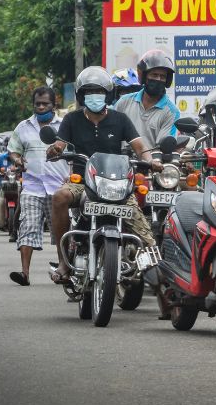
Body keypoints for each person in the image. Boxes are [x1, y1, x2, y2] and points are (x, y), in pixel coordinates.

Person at [47, 67, 161, 284]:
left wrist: (150, 160)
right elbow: (59, 143)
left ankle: (164, 295)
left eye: (99, 91)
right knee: (59, 197)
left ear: (108, 94)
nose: (94, 96)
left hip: (117, 187)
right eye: (89, 91)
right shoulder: (71, 119)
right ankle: (63, 262)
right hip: (82, 185)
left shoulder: (120, 119)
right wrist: (55, 149)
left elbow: (139, 146)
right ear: (81, 96)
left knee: (147, 239)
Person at [7, 88, 68, 286]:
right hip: (32, 186)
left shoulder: (65, 126)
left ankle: (64, 269)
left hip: (59, 188)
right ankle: (25, 273)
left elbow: (76, 152)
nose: (41, 107)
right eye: (38, 104)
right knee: (28, 226)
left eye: (45, 104)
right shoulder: (23, 127)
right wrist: (17, 160)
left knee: (62, 231)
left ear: (54, 105)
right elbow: (14, 151)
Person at [113, 50, 181, 149]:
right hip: (122, 162)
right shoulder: (124, 102)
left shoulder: (171, 112)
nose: (158, 79)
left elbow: (164, 147)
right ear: (144, 76)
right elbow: (112, 132)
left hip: (153, 163)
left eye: (162, 76)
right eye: (154, 75)